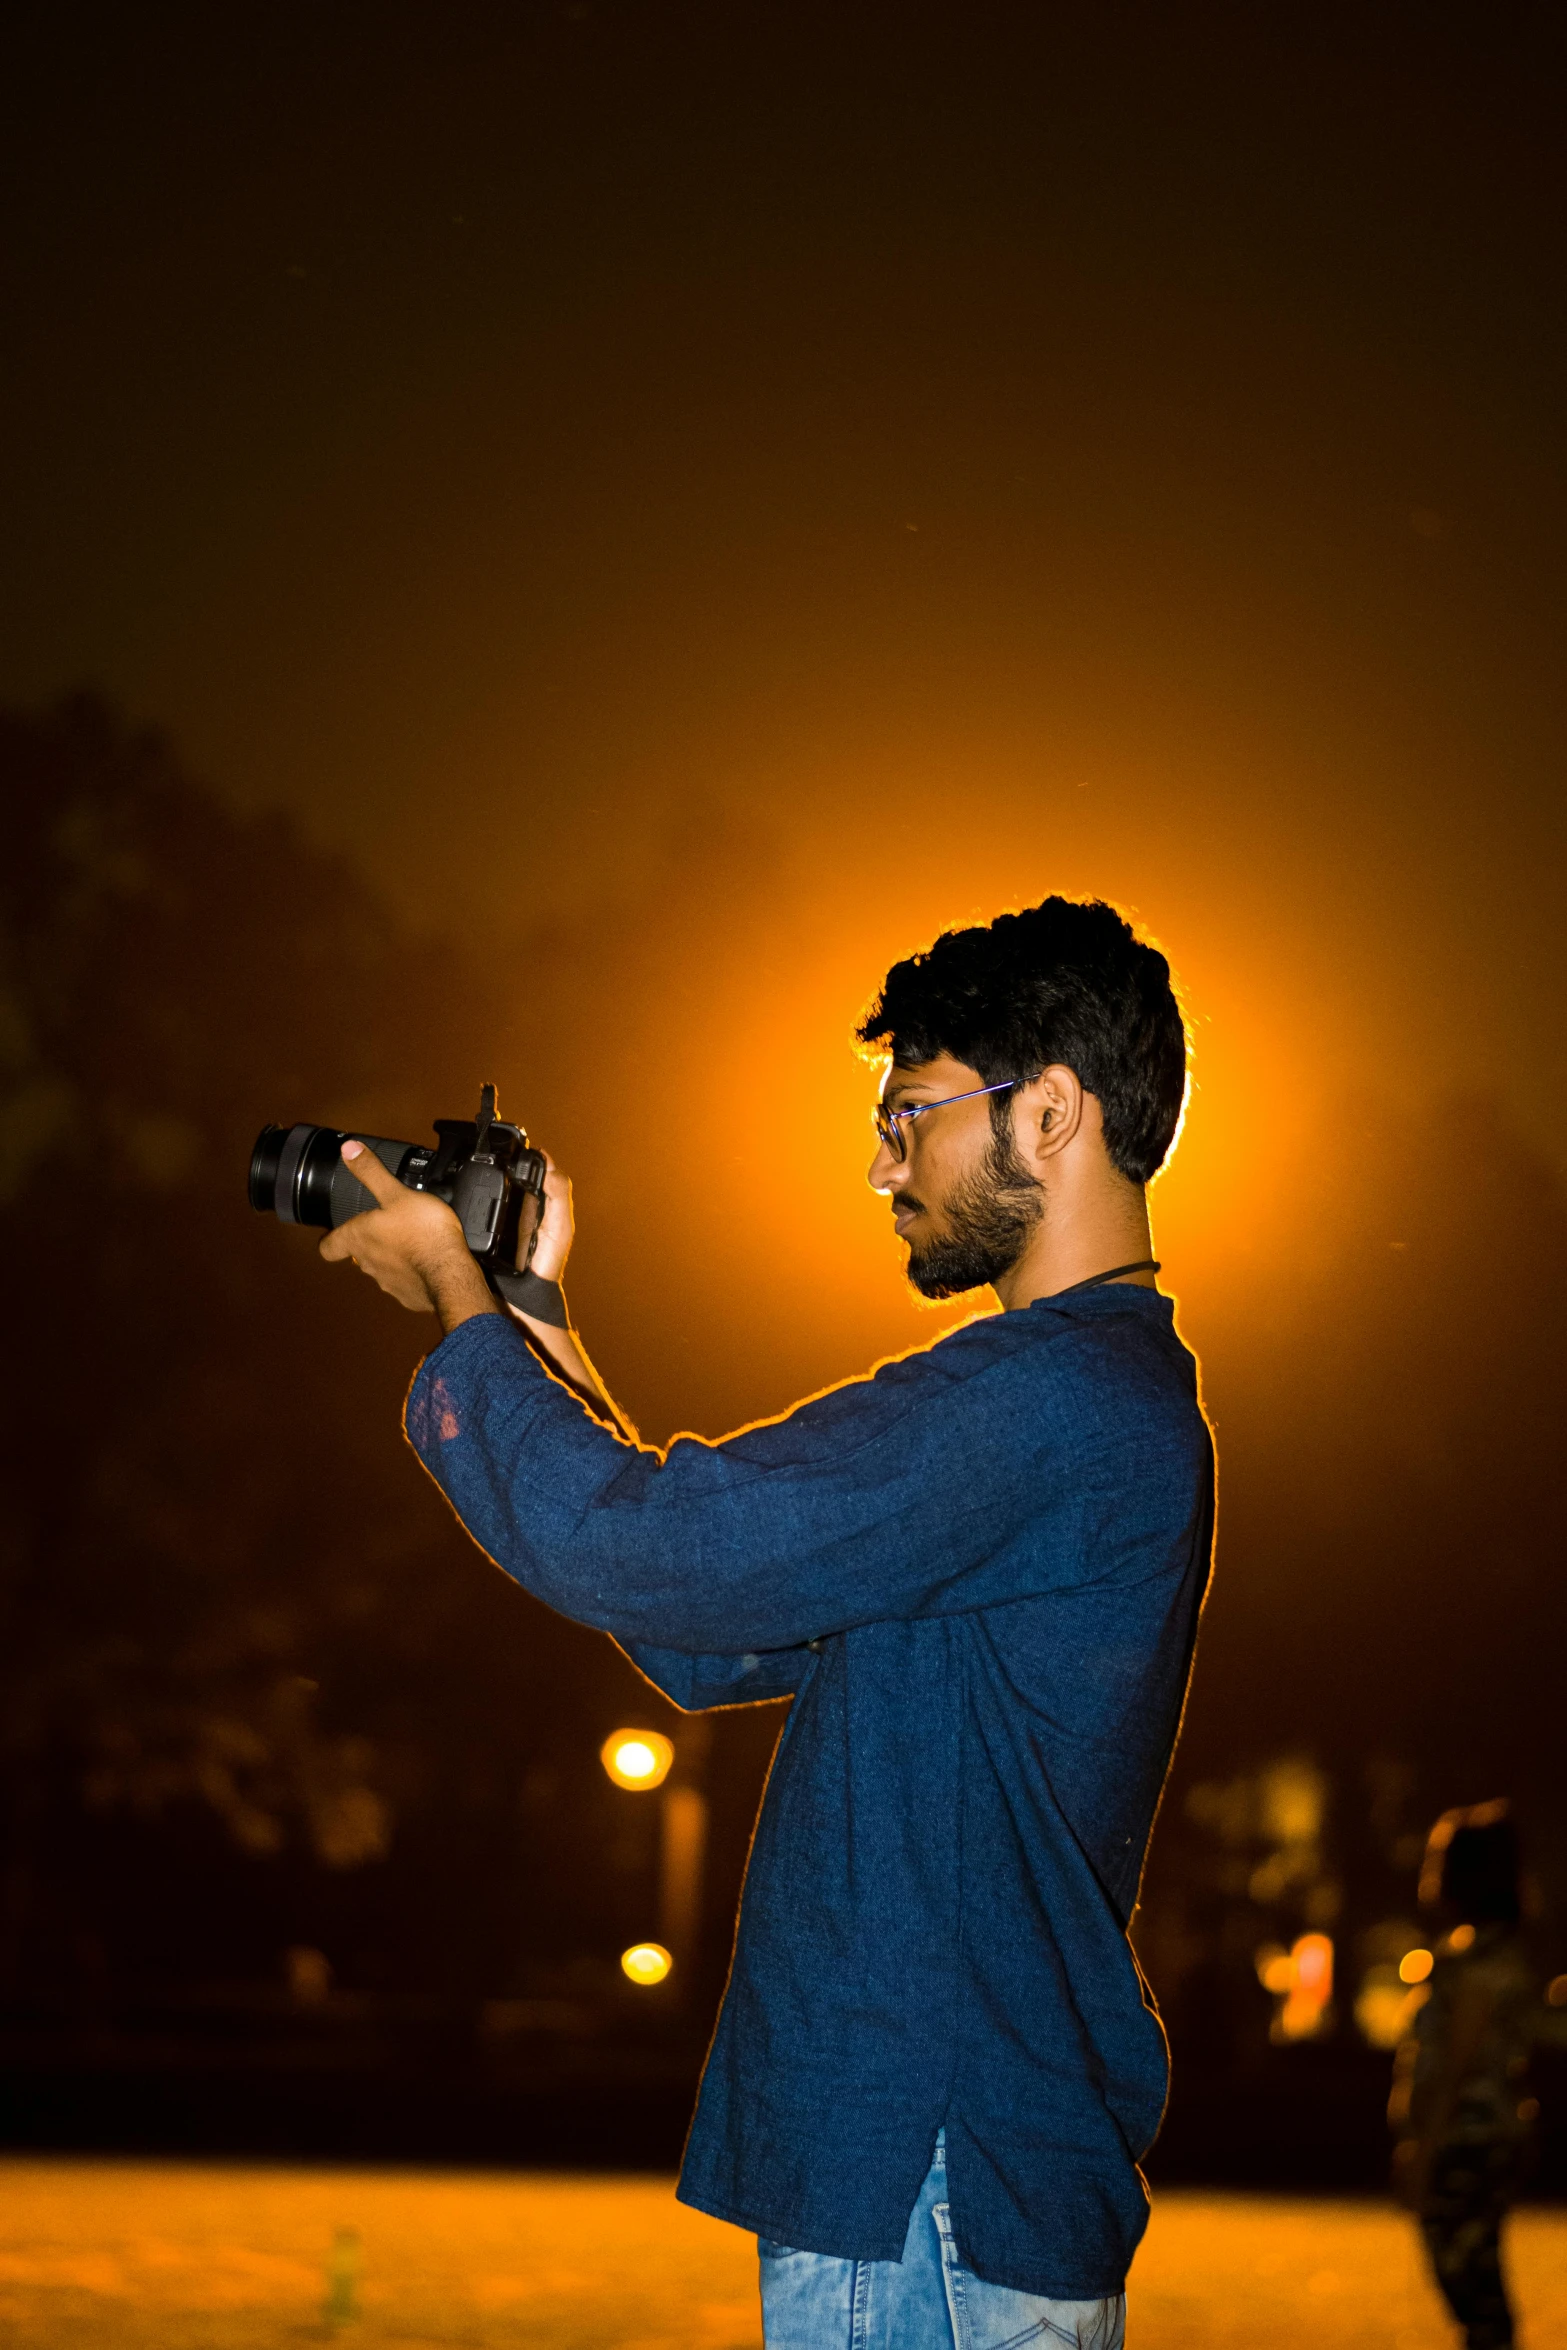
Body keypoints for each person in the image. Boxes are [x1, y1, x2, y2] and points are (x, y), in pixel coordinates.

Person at [322, 896, 1214, 2349]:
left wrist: (450, 1305)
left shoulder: (1039, 1402)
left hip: (926, 2166)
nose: (881, 1162)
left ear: (1049, 1111)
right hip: (950, 2162)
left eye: (910, 1111)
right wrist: (529, 1313)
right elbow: (703, 1627)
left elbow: (661, 1549)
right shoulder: (1081, 1407)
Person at [1391, 1803, 1540, 2350]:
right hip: (1483, 2136)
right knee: (1473, 2283)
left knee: (1471, 2285)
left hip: (1467, 2139)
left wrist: (1422, 2147)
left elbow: (1455, 2064)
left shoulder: (1480, 1960)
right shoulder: (1485, 1951)